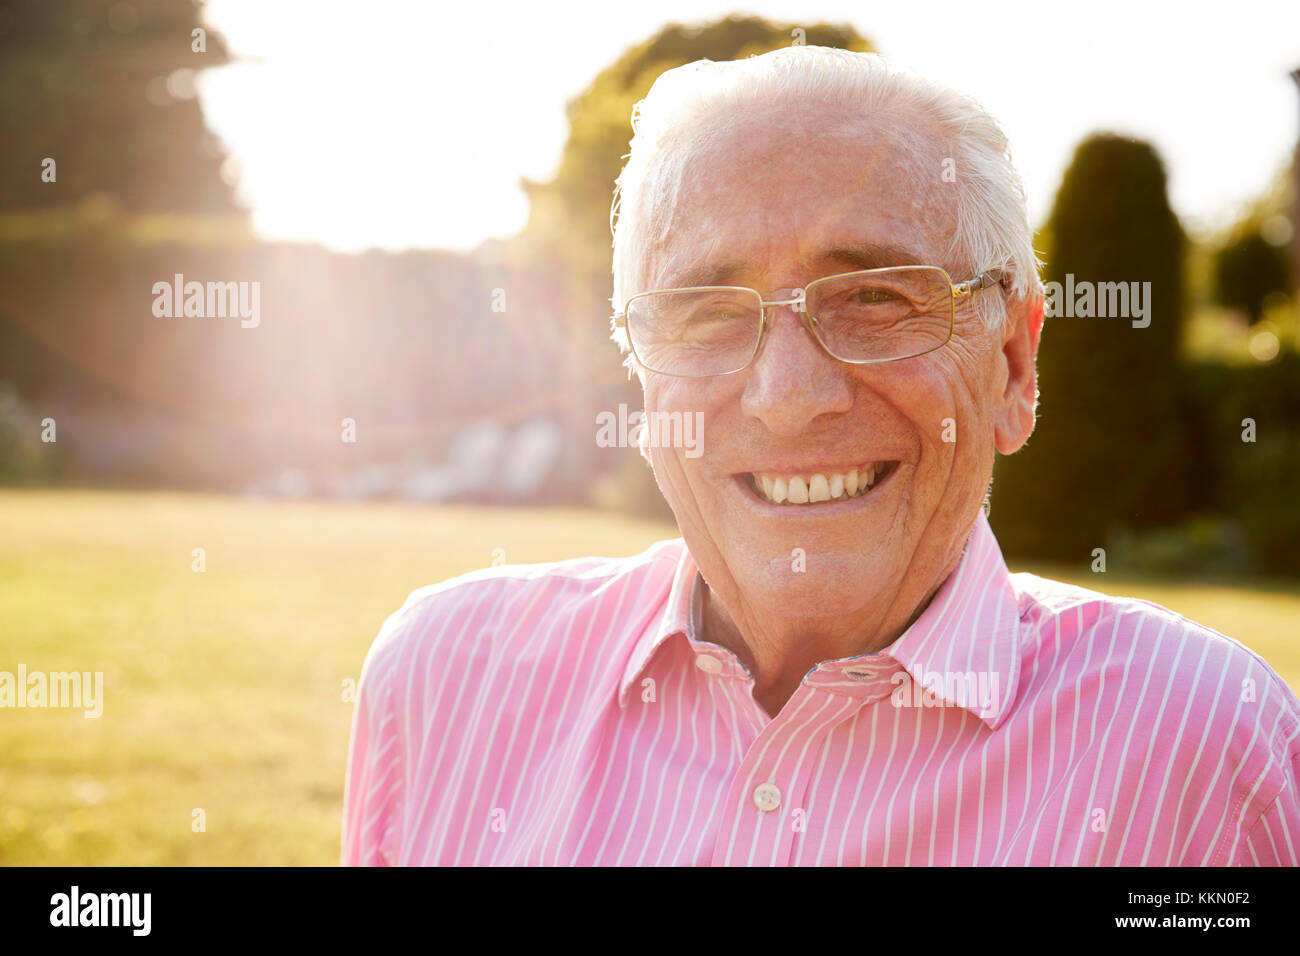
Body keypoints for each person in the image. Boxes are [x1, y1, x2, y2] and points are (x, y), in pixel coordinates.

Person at [342, 46, 1299, 866]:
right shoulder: (442, 681)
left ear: (1012, 365)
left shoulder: (1203, 749)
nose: (789, 399)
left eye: (876, 297)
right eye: (708, 313)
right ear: (639, 371)